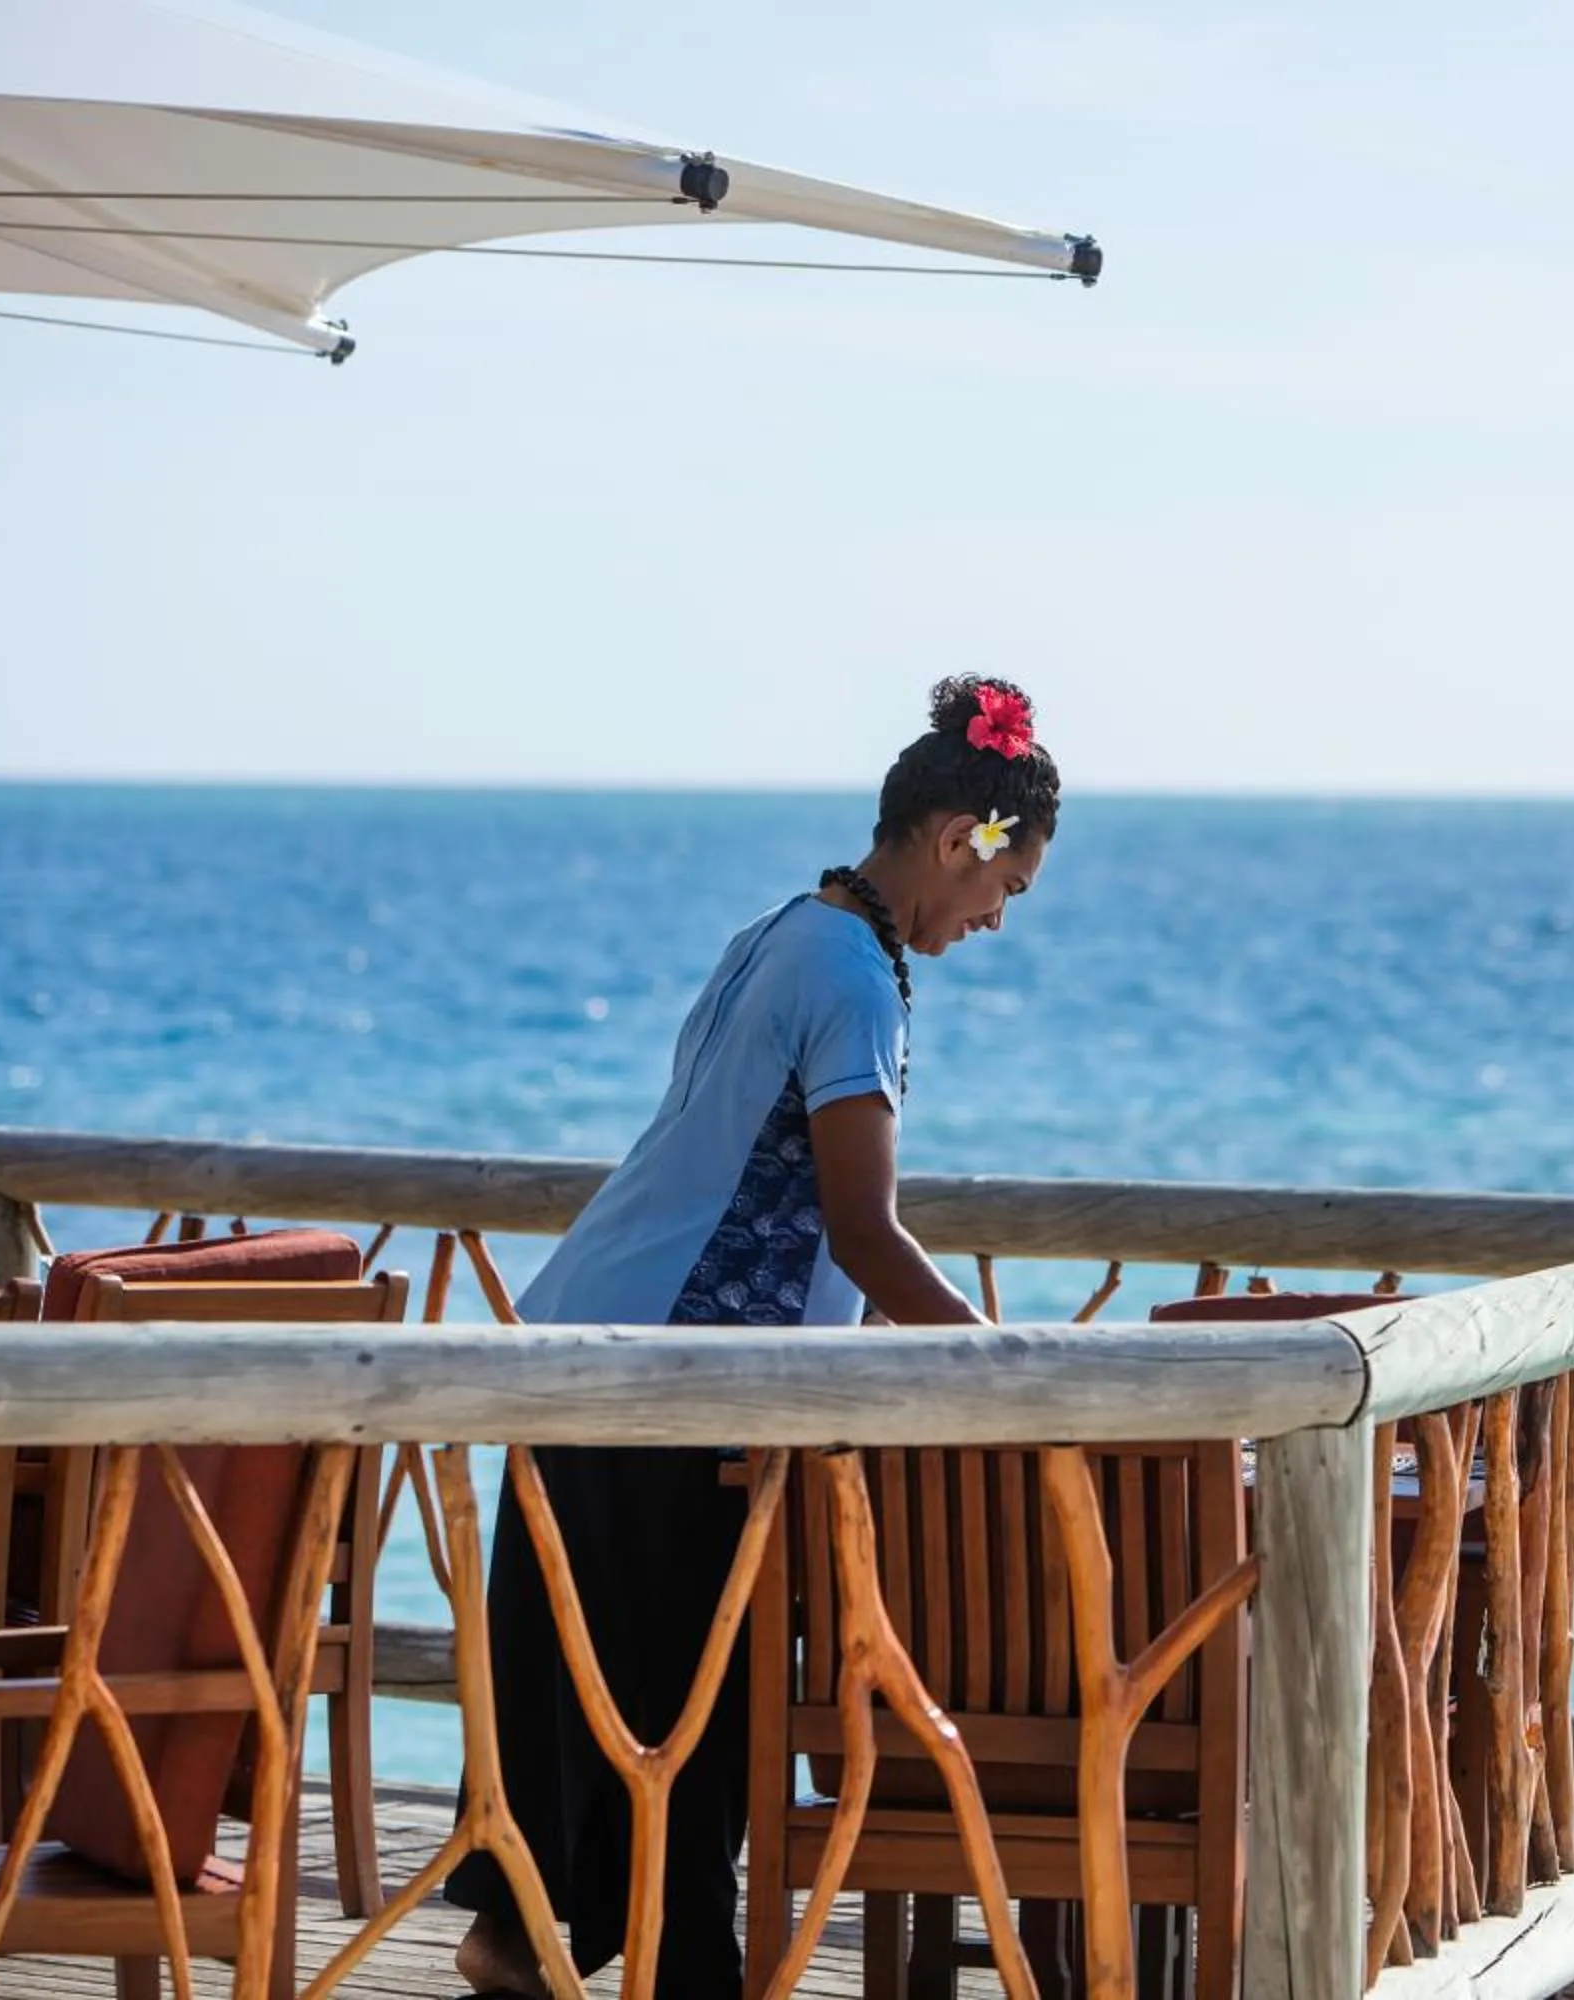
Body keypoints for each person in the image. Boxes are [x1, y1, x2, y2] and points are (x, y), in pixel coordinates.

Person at [445, 676, 1059, 1999]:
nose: (998, 917)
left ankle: (526, 1946)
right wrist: (1008, 1374)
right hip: (669, 1383)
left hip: (586, 1354)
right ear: (958, 838)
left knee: (589, 1713)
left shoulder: (788, 932)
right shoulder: (853, 978)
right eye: (1005, 885)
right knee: (690, 1716)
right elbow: (865, 1231)